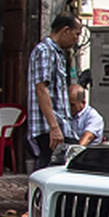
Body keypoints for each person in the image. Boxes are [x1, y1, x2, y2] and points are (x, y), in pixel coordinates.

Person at [27, 13, 82, 169]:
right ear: (65, 30)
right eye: (76, 34)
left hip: (60, 124)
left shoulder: (57, 53)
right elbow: (41, 88)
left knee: (55, 168)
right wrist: (54, 127)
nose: (76, 40)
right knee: (54, 169)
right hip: (49, 126)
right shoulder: (45, 51)